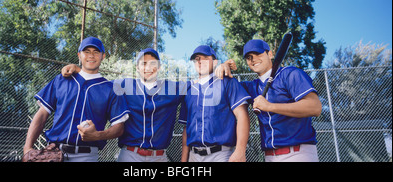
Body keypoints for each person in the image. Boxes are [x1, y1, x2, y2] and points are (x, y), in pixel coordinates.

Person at [61, 48, 236, 162]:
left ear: (159, 67)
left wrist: (221, 65)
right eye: (143, 63)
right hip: (129, 155)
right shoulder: (124, 85)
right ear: (137, 67)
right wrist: (80, 71)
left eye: (153, 63)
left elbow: (201, 82)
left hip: (160, 157)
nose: (148, 67)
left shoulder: (172, 88)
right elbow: (99, 84)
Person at [23, 37, 130, 162]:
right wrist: (27, 148)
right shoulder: (62, 80)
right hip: (54, 153)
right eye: (87, 51)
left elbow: (119, 128)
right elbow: (42, 114)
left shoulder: (111, 89)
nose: (91, 55)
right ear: (79, 55)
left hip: (87, 156)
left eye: (96, 52)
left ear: (103, 56)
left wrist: (97, 135)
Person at [235, 39, 322, 162]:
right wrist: (224, 68)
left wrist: (270, 106)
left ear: (270, 54)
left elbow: (315, 107)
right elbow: (225, 87)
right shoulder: (251, 87)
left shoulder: (290, 74)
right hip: (269, 156)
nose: (253, 59)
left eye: (258, 54)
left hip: (298, 154)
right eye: (249, 57)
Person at [180, 45, 251, 162]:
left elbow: (242, 115)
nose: (200, 62)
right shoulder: (189, 90)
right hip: (193, 155)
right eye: (197, 59)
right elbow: (186, 129)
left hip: (220, 154)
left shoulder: (227, 81)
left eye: (205, 58)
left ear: (214, 62)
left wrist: (240, 151)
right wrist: (183, 160)